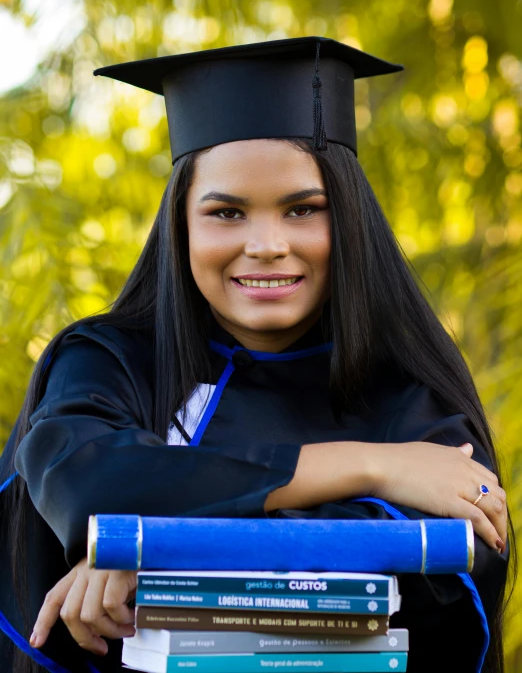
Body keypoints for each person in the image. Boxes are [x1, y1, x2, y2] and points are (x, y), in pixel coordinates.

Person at [0, 37, 511, 673]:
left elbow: (452, 566)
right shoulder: (110, 360)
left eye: (303, 209)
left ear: (347, 219)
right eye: (227, 213)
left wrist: (152, 550)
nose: (266, 244)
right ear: (181, 225)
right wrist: (372, 468)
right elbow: (86, 481)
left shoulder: (408, 389)